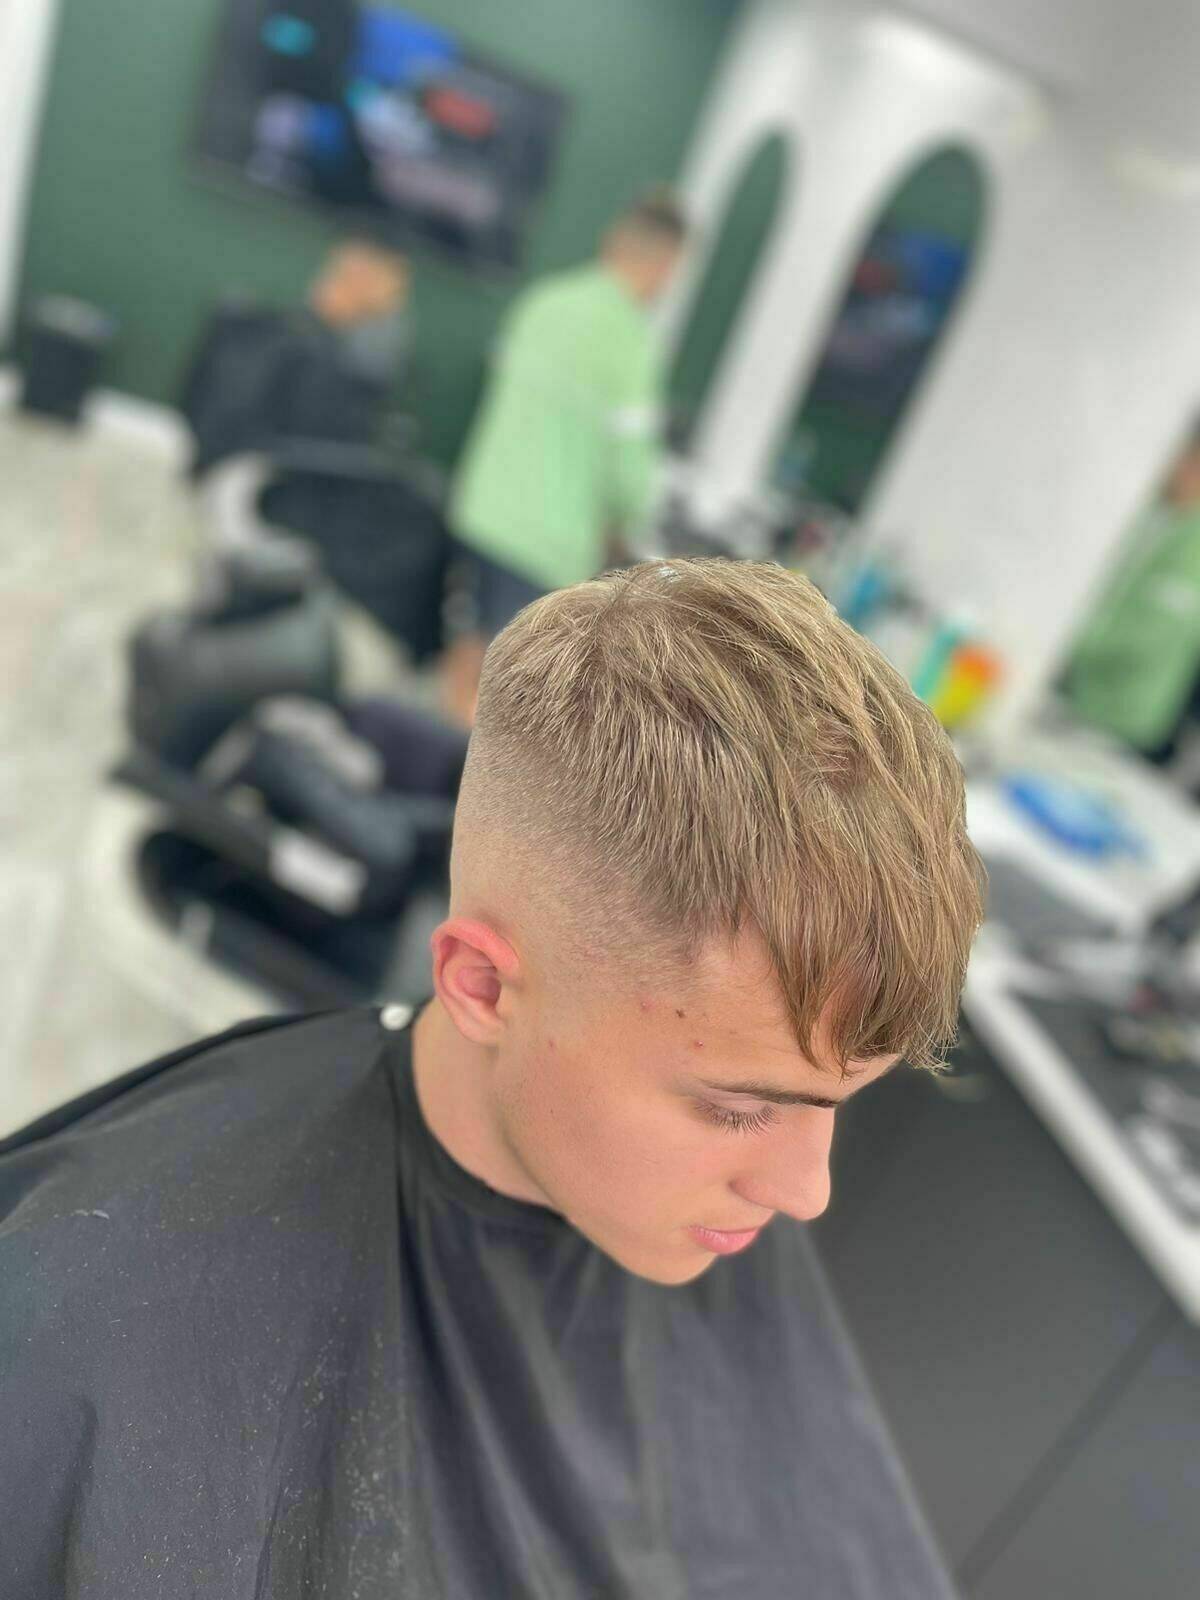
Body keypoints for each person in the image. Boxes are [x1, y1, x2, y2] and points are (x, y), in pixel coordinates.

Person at [0, 559, 983, 1597]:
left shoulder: (692, 1199)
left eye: (839, 1105)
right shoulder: (89, 1338)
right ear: (481, 985)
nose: (807, 1191)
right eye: (739, 1109)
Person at [441, 188, 688, 724]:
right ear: (666, 265)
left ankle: (426, 751)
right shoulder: (633, 344)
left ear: (613, 241)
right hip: (544, 544)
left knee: (466, 655)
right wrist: (630, 519)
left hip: (482, 510)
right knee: (503, 709)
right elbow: (629, 480)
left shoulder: (544, 301)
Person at [1063, 419, 1200, 760]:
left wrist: (1074, 642)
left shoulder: (1194, 545)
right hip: (1075, 695)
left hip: (1123, 718)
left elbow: (1160, 628)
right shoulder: (1150, 513)